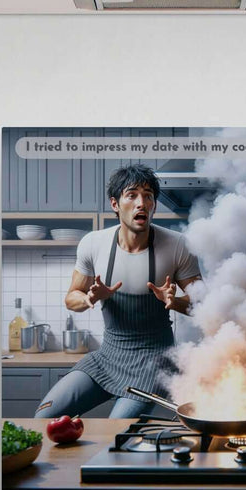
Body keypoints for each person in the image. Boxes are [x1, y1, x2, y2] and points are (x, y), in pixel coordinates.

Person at [34, 165, 202, 420]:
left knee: (114, 433)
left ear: (154, 205)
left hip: (153, 362)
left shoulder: (178, 245)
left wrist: (175, 301)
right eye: (132, 195)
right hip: (108, 356)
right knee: (43, 418)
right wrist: (90, 297)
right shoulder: (93, 244)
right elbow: (71, 297)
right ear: (115, 203)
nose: (141, 203)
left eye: (148, 196)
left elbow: (203, 305)